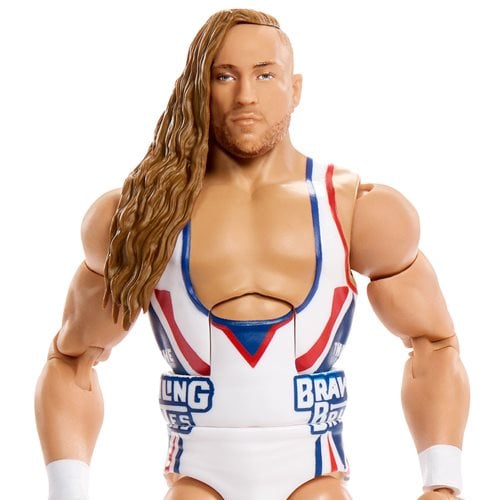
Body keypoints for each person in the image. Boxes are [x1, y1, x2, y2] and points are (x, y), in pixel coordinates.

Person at [35, 8, 469, 500]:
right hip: (197, 479)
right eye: (225, 76)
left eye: (265, 75)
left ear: (295, 88)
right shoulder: (139, 216)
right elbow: (71, 361)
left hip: (314, 477)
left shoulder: (357, 211)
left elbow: (434, 343)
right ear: (198, 88)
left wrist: (443, 483)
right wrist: (67, 492)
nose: (245, 95)